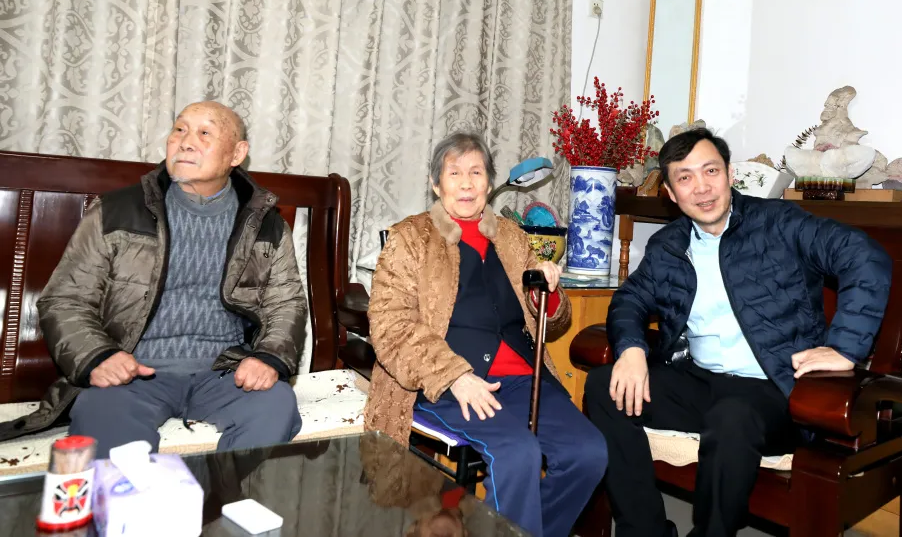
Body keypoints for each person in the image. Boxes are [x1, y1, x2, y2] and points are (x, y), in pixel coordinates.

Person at [584, 128, 892, 537]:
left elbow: (864, 256)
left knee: (731, 416)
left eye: (711, 170)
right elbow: (630, 299)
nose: (702, 187)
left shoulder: (779, 223)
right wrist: (632, 349)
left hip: (775, 391)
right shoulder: (668, 246)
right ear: (671, 194)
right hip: (701, 381)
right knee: (603, 386)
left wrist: (845, 347)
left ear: (731, 174)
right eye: (685, 177)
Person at [0, 101, 306, 457]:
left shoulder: (265, 224)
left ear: (237, 153)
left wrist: (268, 357)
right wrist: (97, 357)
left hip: (225, 373)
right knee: (100, 416)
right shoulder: (116, 211)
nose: (186, 142)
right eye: (180, 130)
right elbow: (65, 299)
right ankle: (138, 493)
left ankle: (221, 491)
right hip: (135, 372)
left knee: (275, 406)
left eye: (204, 133)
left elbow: (286, 303)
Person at [363, 132, 608, 537]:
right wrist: (454, 376)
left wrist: (545, 295)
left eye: (476, 173)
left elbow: (554, 321)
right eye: (454, 173)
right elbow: (390, 326)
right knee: (517, 454)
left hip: (524, 379)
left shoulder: (511, 236)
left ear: (489, 183)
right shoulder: (411, 238)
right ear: (436, 184)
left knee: (589, 453)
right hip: (443, 383)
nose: (466, 183)